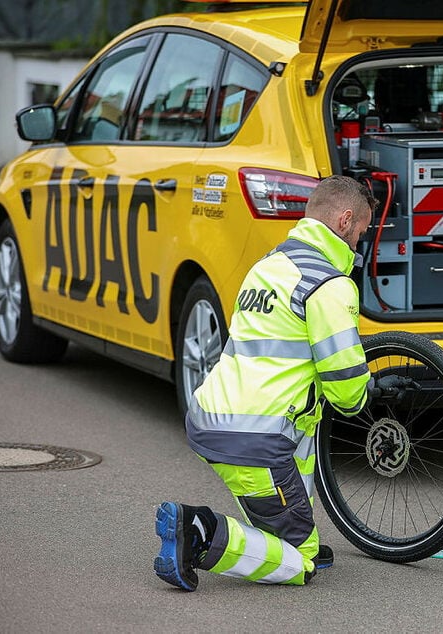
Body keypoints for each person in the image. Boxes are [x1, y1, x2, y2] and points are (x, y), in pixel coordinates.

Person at [154, 175, 377, 591]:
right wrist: (367, 391)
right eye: (361, 231)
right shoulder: (329, 285)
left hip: (210, 421)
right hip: (254, 442)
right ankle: (201, 531)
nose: (359, 243)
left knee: (303, 423)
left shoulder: (267, 266)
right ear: (345, 221)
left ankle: (291, 526)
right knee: (299, 563)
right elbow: (346, 390)